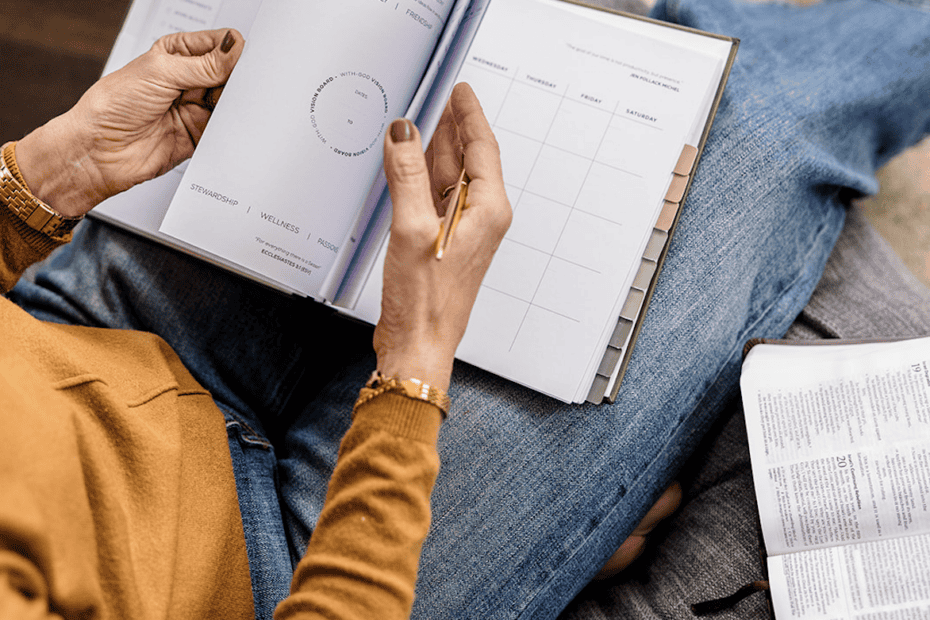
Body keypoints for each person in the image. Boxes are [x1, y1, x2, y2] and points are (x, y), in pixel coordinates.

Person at [3, 0, 930, 618]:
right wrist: (413, 368)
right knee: (741, 134)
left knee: (586, 75)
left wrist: (44, 178)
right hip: (275, 575)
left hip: (75, 333)